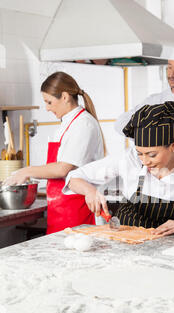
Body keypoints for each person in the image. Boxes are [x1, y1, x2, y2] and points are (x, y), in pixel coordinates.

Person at [64, 102, 174, 236]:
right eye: (140, 153)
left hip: (168, 251)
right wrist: (90, 191)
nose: (145, 161)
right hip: (123, 245)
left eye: (152, 155)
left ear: (173, 146)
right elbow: (74, 177)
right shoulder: (129, 158)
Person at [4, 71, 105, 234]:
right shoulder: (66, 124)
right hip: (59, 209)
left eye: (49, 102)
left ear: (64, 97)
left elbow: (62, 169)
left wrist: (26, 171)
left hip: (78, 209)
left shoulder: (83, 124)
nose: (47, 108)